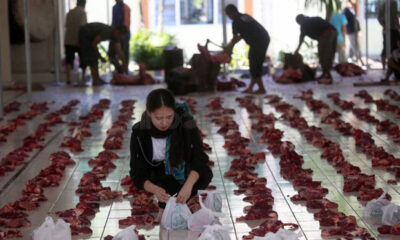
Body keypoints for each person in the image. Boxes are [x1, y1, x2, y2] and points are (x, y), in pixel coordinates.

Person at [129, 88, 213, 221]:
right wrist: (155, 189)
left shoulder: (186, 122)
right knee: (164, 181)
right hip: (159, 177)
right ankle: (165, 206)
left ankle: (186, 199)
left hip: (183, 170)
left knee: (205, 174)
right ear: (150, 114)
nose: (164, 123)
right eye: (159, 118)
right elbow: (137, 172)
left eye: (169, 117)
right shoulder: (140, 132)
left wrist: (188, 186)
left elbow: (199, 157)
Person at [225, 4, 270, 94]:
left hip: (257, 42)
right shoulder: (244, 16)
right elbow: (242, 35)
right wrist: (230, 46)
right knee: (255, 64)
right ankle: (251, 88)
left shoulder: (236, 21)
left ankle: (261, 89)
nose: (228, 17)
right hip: (264, 38)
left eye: (228, 14)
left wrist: (229, 50)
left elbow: (235, 39)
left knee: (254, 64)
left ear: (232, 12)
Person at [295, 14, 338, 84]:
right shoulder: (312, 19)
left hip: (326, 34)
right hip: (334, 31)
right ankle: (325, 74)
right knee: (329, 54)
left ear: (299, 21)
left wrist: (297, 50)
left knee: (323, 55)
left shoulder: (304, 24)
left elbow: (301, 39)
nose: (299, 25)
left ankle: (328, 76)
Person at [64, 0, 87, 85]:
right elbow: (83, 28)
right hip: (79, 40)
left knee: (69, 59)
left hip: (68, 39)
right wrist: (80, 40)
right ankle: (83, 77)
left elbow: (66, 25)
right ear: (84, 4)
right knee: (83, 59)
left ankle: (68, 78)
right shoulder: (83, 13)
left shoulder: (69, 12)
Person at [109, 0, 131, 73]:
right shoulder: (114, 8)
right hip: (115, 35)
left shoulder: (126, 7)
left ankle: (125, 71)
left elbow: (126, 23)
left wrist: (123, 35)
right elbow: (113, 21)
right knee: (111, 54)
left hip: (123, 36)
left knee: (123, 55)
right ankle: (120, 70)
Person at [378, 0, 400, 70]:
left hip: (386, 30)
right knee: (395, 49)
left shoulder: (383, 3)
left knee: (385, 48)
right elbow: (395, 17)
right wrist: (399, 27)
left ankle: (384, 68)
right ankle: (393, 68)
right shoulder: (393, 3)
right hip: (393, 29)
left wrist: (385, 26)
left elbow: (379, 18)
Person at [343, 1, 364, 65]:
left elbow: (356, 20)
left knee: (353, 45)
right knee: (355, 45)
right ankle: (359, 59)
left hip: (354, 30)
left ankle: (350, 57)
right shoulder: (346, 10)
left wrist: (359, 29)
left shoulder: (352, 10)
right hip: (351, 31)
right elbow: (345, 22)